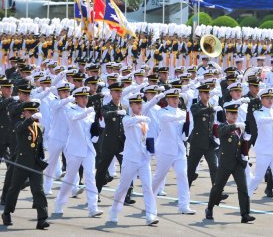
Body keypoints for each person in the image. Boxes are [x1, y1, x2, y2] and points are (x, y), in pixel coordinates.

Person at [108, 93, 158, 225]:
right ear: (131, 105)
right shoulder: (126, 119)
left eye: (140, 103)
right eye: (136, 104)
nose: (139, 106)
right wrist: (142, 118)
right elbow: (131, 121)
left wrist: (150, 150)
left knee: (148, 187)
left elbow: (144, 138)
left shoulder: (143, 121)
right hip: (130, 159)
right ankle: (114, 211)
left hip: (143, 159)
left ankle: (151, 215)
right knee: (123, 187)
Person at [54, 87, 102, 217]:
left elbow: (91, 131)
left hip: (88, 149)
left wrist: (96, 133)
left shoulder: (90, 112)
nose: (84, 99)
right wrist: (87, 113)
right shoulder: (70, 110)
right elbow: (75, 119)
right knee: (70, 178)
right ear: (76, 99)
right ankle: (59, 203)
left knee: (90, 177)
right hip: (74, 149)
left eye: (86, 97)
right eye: (81, 97)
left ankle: (93, 208)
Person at [2, 100, 49, 230]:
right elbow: (19, 130)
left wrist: (41, 160)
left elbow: (38, 146)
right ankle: (6, 213)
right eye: (31, 112)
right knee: (14, 189)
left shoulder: (40, 127)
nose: (34, 114)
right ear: (24, 113)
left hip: (35, 164)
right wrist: (30, 120)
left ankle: (42, 219)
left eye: (35, 111)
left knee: (38, 190)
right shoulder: (19, 124)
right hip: (22, 163)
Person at [205, 101, 255, 223]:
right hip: (225, 163)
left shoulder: (240, 128)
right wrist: (235, 126)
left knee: (243, 188)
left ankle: (245, 214)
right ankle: (209, 208)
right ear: (226, 115)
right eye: (231, 113)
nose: (234, 116)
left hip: (238, 163)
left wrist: (245, 155)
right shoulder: (222, 126)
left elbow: (242, 143)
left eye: (235, 113)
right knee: (217, 188)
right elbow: (221, 132)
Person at [151, 88, 195, 214]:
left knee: (182, 176)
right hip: (165, 150)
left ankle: (184, 205)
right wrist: (184, 115)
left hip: (179, 150)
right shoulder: (162, 111)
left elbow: (189, 126)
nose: (176, 100)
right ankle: (149, 199)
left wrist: (186, 133)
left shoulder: (182, 112)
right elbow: (166, 119)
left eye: (177, 98)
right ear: (167, 99)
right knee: (159, 177)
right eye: (173, 98)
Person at [247, 88, 273, 212]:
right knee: (258, 177)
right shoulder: (258, 112)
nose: (270, 100)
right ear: (262, 100)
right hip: (264, 149)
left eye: (271, 98)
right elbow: (260, 121)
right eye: (267, 98)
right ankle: (245, 198)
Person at [187, 84, 222, 189]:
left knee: (214, 167)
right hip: (197, 142)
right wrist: (210, 110)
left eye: (208, 93)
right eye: (205, 93)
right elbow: (198, 113)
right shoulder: (195, 106)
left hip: (209, 143)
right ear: (200, 94)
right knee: (191, 169)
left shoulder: (211, 107)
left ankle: (217, 193)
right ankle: (185, 191)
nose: (208, 95)